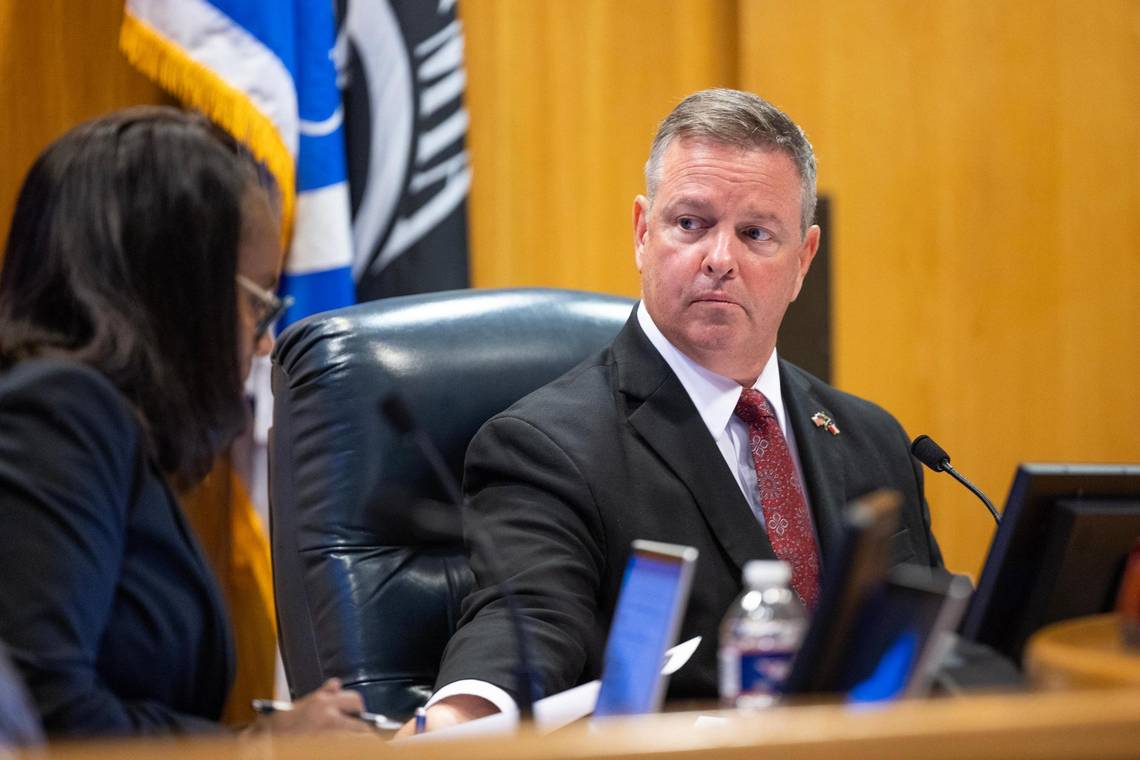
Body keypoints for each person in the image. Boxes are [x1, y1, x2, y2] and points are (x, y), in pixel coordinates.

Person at [402, 89, 944, 734]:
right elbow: (526, 619)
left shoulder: (873, 438)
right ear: (642, 232)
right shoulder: (546, 447)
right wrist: (463, 716)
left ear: (803, 259)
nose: (720, 259)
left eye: (755, 234)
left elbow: (928, 649)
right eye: (690, 224)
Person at [0, 107, 369, 737]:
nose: (264, 343)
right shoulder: (58, 415)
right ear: (175, 288)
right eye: (258, 303)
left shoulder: (102, 425)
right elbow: (43, 714)